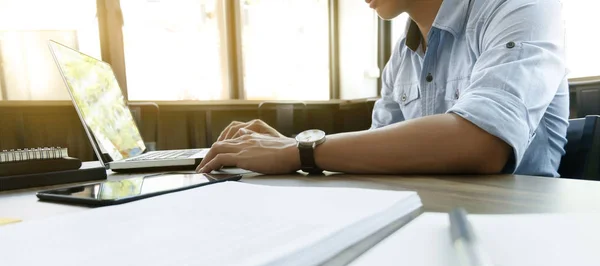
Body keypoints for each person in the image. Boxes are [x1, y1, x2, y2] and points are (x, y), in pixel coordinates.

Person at [197, 0, 568, 177]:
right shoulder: (402, 57)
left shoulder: (521, 8)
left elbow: (482, 144)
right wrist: (285, 147)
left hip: (516, 237)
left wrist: (299, 150)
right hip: (429, 223)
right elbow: (373, 158)